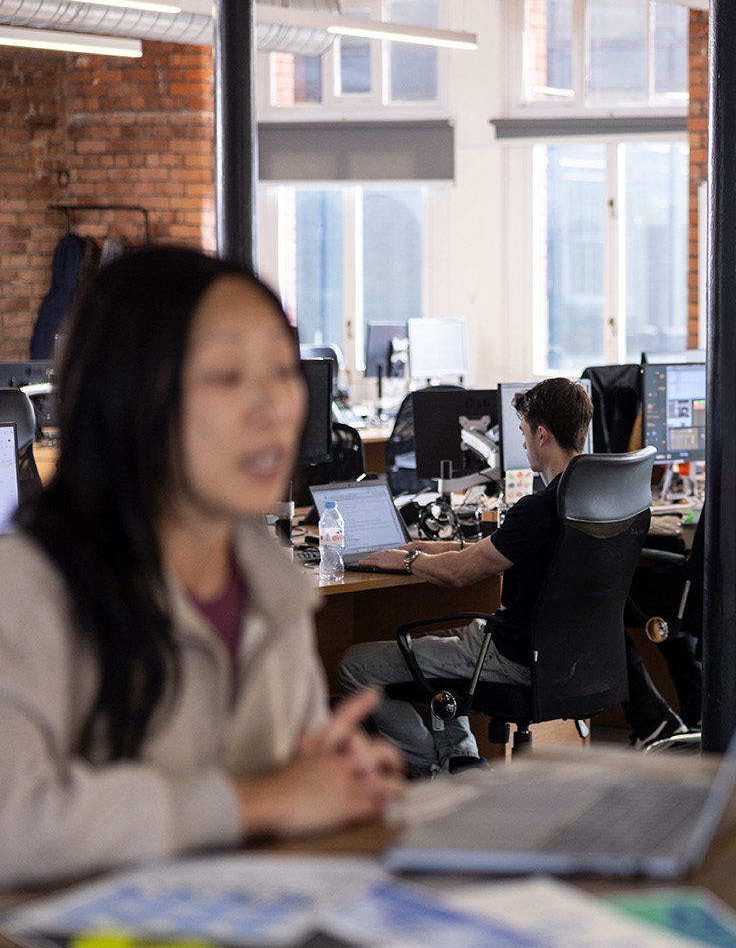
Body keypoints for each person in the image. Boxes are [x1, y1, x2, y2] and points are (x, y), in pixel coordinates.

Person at [0, 247, 406, 890]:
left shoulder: (271, 589)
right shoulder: (26, 591)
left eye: (281, 371)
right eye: (225, 376)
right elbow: (12, 826)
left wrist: (332, 780)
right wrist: (258, 801)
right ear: (126, 395)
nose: (272, 407)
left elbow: (286, 799)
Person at [337, 377, 683, 775]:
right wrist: (434, 548)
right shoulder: (591, 499)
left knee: (354, 665)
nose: (522, 444)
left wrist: (407, 562)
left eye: (522, 433)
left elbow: (458, 576)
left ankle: (431, 766)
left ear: (541, 433)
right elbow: (492, 551)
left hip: (510, 657)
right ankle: (460, 758)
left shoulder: (537, 509)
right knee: (443, 661)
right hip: (572, 659)